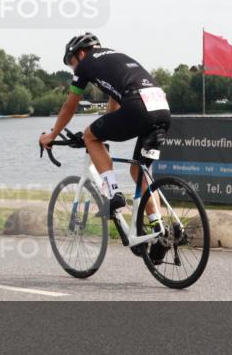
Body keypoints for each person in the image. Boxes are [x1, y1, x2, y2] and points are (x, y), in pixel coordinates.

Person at [38, 33, 171, 255]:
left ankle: (113, 194)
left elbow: (69, 106)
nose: (74, 70)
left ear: (80, 53)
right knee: (140, 171)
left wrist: (52, 134)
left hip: (138, 107)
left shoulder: (86, 64)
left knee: (90, 136)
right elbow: (114, 100)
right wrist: (104, 128)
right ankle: (160, 231)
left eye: (72, 64)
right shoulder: (116, 57)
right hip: (162, 109)